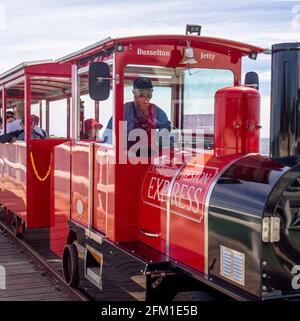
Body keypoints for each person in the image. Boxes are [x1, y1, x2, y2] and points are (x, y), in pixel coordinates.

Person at [103, 77, 171, 148]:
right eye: (141, 93)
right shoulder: (124, 110)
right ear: (134, 93)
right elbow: (109, 133)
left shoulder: (158, 112)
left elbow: (166, 138)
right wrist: (112, 153)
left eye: (148, 93)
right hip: (125, 156)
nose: (145, 97)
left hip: (150, 156)